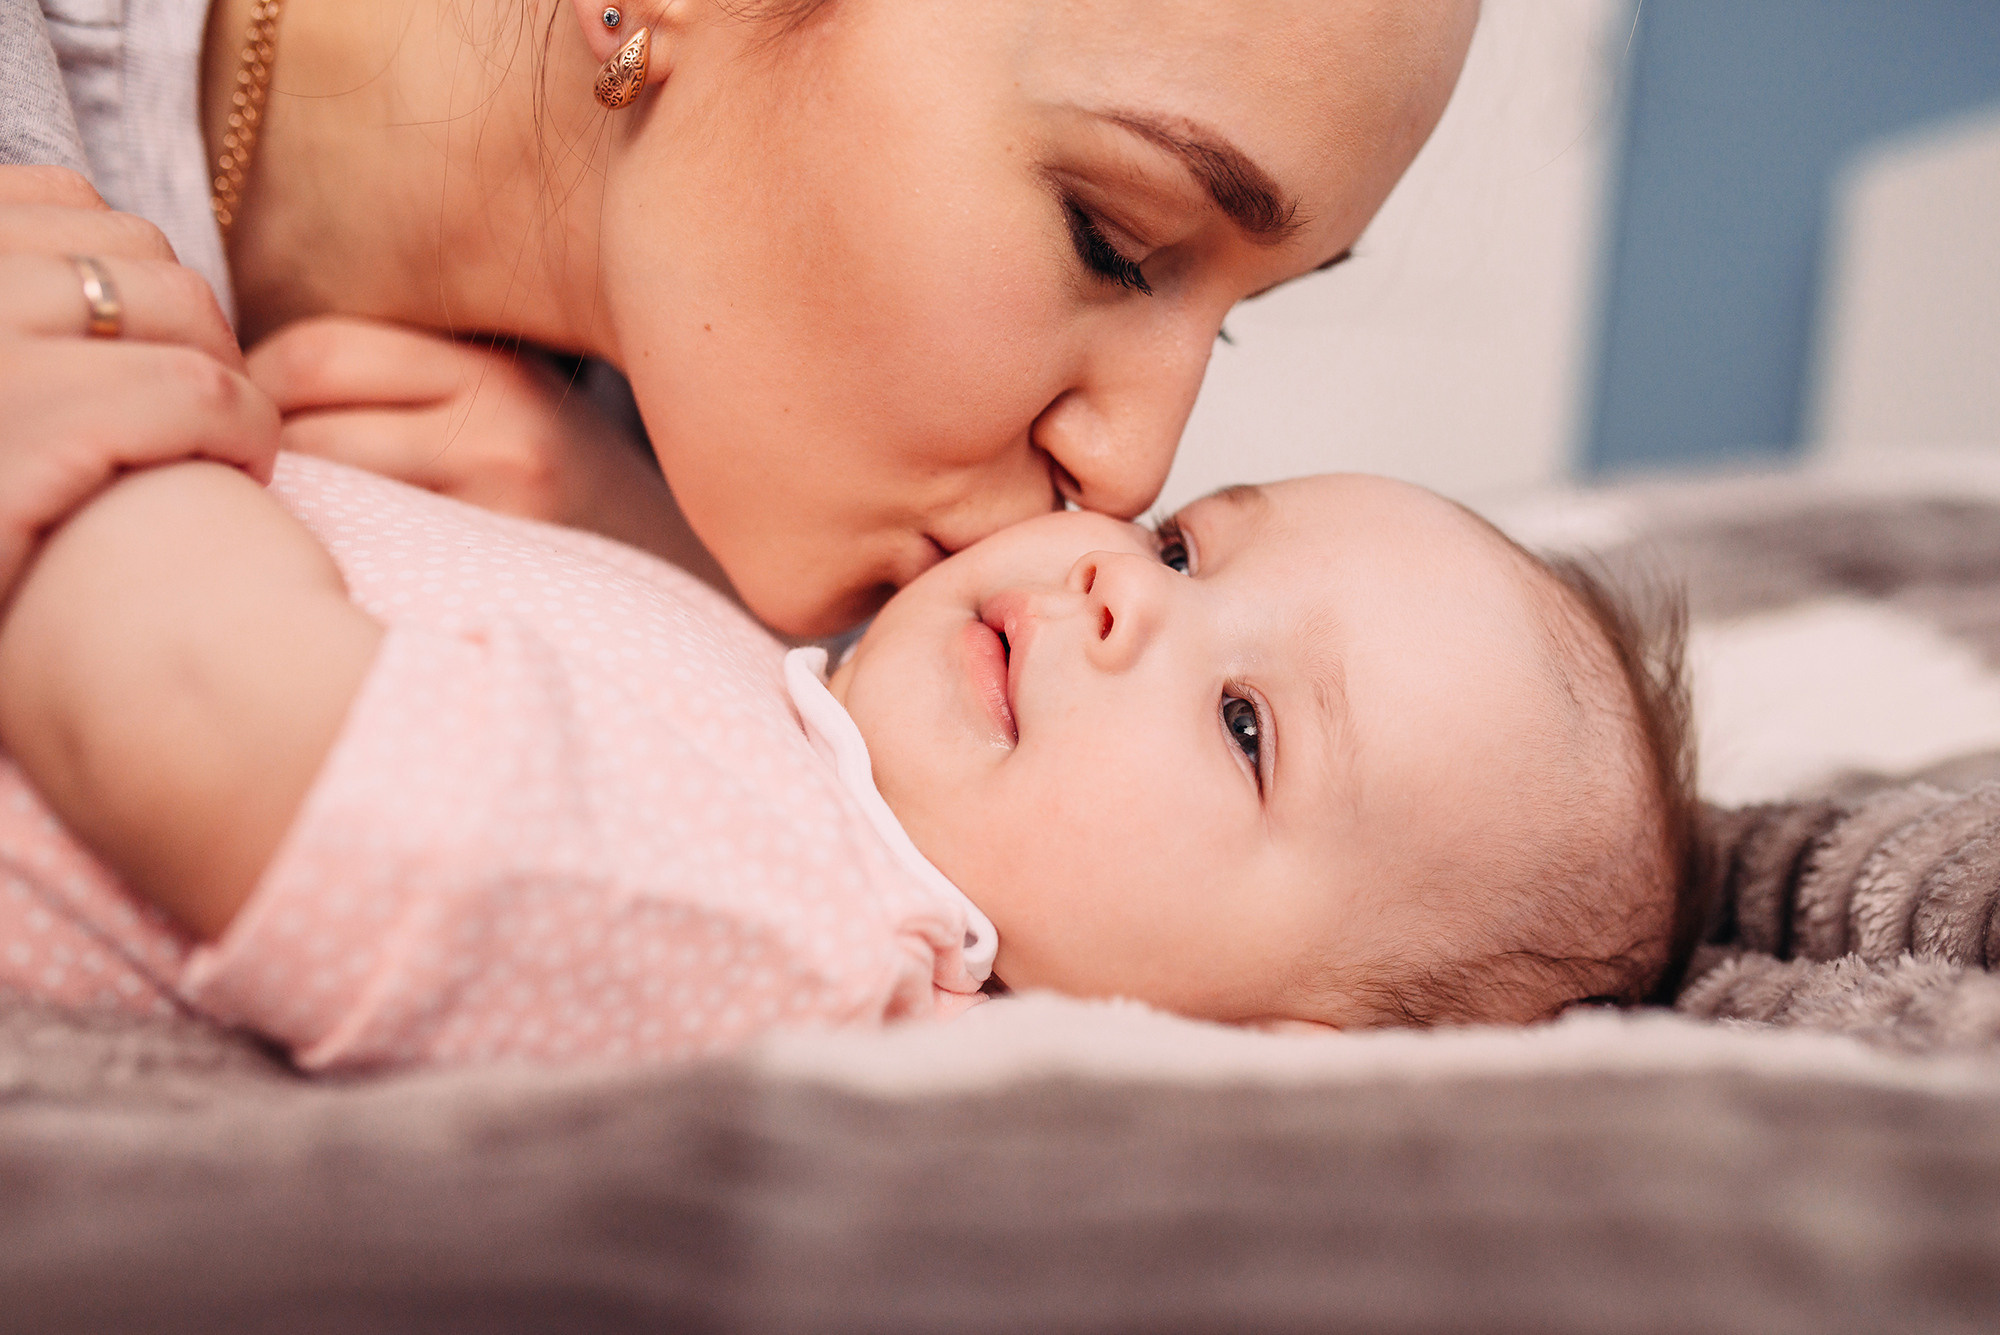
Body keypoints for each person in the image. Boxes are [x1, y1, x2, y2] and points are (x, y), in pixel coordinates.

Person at [0, 451, 1702, 1067]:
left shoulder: (782, 928)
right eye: (1190, 549)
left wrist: (109, 433)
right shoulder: (799, 743)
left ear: (1265, 1054)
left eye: (1248, 726)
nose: (1120, 587)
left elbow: (191, 720)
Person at [0, 0, 1479, 637]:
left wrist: (657, 593)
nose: (1137, 470)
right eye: (1114, 239)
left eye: (1231, 322)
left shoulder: (680, 527)